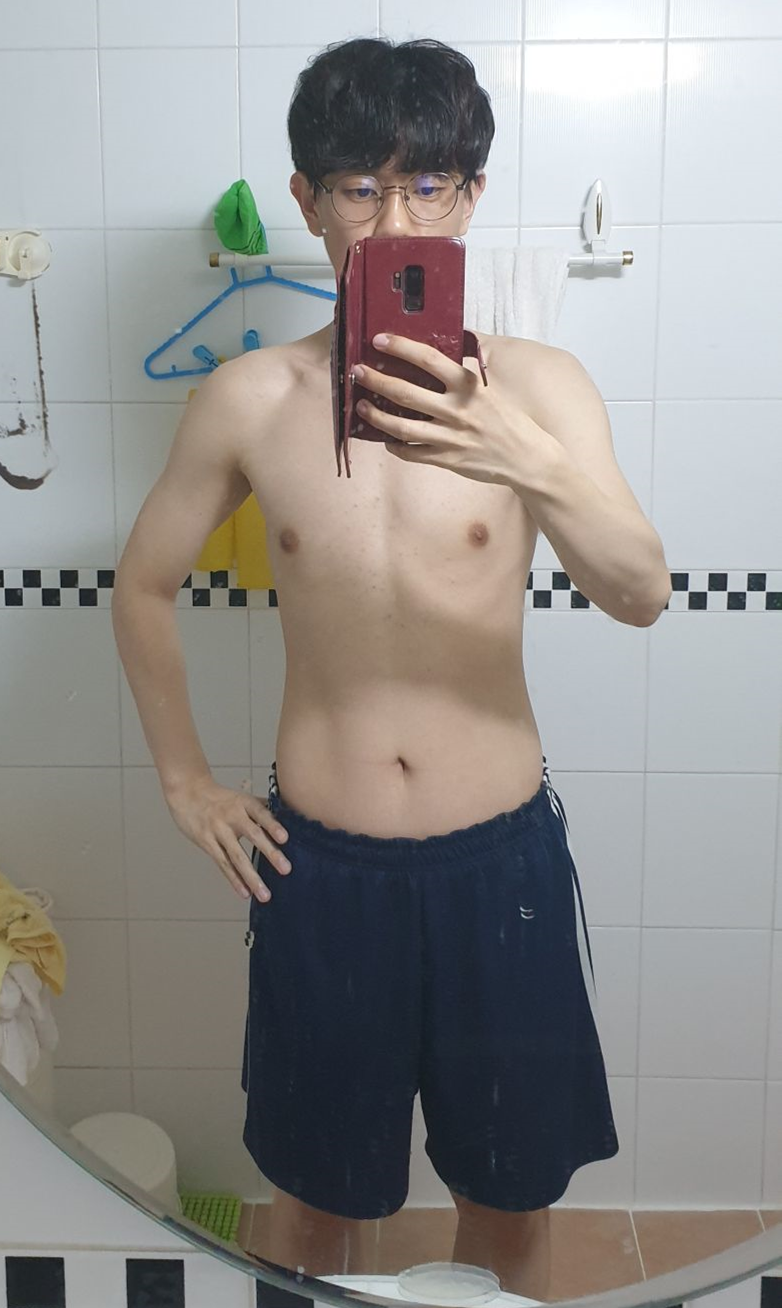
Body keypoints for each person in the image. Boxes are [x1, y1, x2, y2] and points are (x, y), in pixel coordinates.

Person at [112, 36, 671, 1299]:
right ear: (306, 199)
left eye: (426, 185)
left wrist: (520, 456)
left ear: (470, 198)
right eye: (360, 188)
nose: (394, 221)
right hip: (321, 866)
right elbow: (140, 583)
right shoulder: (249, 400)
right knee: (311, 1207)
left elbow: (639, 593)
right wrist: (186, 783)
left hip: (498, 866)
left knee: (509, 1203)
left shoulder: (541, 389)